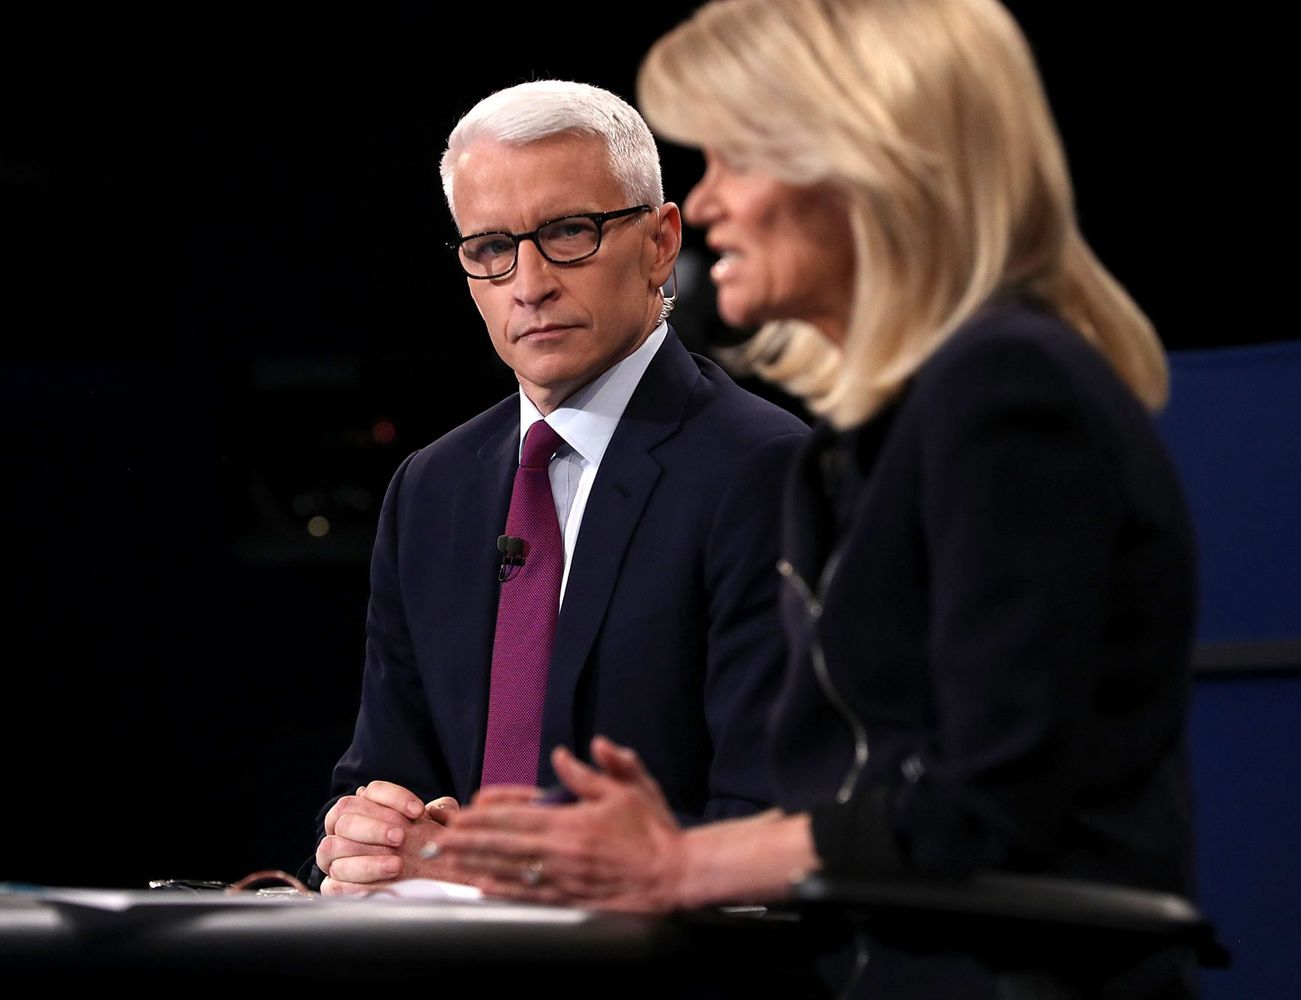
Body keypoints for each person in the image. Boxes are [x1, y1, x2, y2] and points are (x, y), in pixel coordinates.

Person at [435, 1, 1198, 995]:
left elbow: (986, 806)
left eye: (738, 159)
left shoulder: (1008, 389)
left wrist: (680, 862)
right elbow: (853, 784)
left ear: (870, 166)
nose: (704, 206)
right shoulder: (885, 428)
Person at [312, 80, 807, 895]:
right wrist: (363, 841)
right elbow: (384, 777)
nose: (529, 282)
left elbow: (775, 819)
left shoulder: (765, 471)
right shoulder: (429, 491)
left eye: (569, 233)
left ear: (659, 243)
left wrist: (498, 870)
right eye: (490, 249)